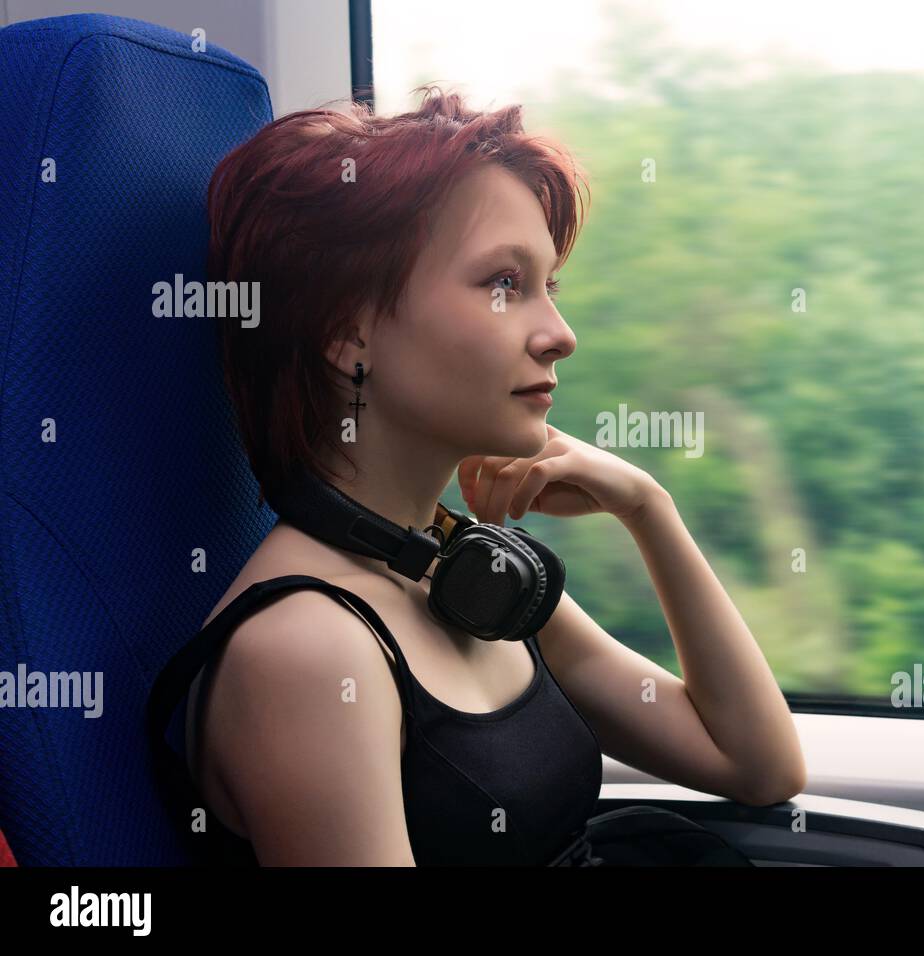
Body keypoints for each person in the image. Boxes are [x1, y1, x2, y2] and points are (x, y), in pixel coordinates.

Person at [182, 84, 806, 866]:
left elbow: (756, 764)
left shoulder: (466, 569)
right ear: (348, 333)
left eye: (551, 287)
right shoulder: (310, 652)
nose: (561, 335)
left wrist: (647, 507)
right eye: (504, 285)